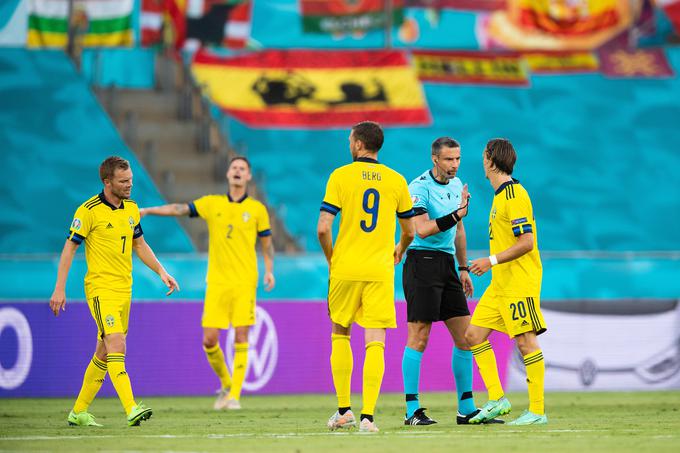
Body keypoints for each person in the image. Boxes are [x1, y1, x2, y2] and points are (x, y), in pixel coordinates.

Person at [50, 156, 179, 427]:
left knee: (105, 352)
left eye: (130, 179)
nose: (129, 185)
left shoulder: (131, 209)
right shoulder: (88, 211)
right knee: (117, 343)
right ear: (107, 182)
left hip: (124, 290)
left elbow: (140, 245)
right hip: (100, 289)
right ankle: (131, 407)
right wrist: (59, 288)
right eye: (123, 181)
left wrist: (162, 272)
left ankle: (78, 412)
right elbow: (70, 248)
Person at [140, 156, 274, 410]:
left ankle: (234, 395)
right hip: (217, 282)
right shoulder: (212, 204)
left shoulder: (257, 210)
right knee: (209, 339)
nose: (237, 171)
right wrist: (148, 211)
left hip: (245, 282)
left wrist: (269, 270)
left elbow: (267, 243)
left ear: (248, 176)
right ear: (227, 174)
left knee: (242, 335)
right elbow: (180, 208)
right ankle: (226, 383)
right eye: (234, 167)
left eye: (242, 168)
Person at [317, 121, 416, 433]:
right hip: (379, 270)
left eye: (350, 139)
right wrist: (399, 248)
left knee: (340, 333)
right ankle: (368, 418)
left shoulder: (340, 176)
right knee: (376, 342)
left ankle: (343, 409)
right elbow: (410, 231)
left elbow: (322, 227)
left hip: (345, 268)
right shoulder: (396, 180)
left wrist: (332, 259)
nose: (349, 144)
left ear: (359, 144)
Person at [402, 137, 501, 426]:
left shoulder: (458, 186)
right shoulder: (418, 187)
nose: (454, 164)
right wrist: (456, 213)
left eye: (457, 159)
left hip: (447, 265)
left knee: (466, 338)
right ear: (435, 160)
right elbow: (421, 230)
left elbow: (459, 230)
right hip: (422, 263)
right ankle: (412, 410)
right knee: (419, 337)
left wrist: (462, 267)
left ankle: (466, 408)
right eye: (448, 159)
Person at [466, 138, 548, 425]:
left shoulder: (514, 196)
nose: (481, 161)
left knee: (526, 342)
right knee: (473, 336)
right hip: (500, 284)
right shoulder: (500, 196)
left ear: (490, 159)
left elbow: (527, 242)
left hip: (518, 282)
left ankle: (537, 411)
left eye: (483, 156)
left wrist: (491, 261)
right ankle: (498, 399)